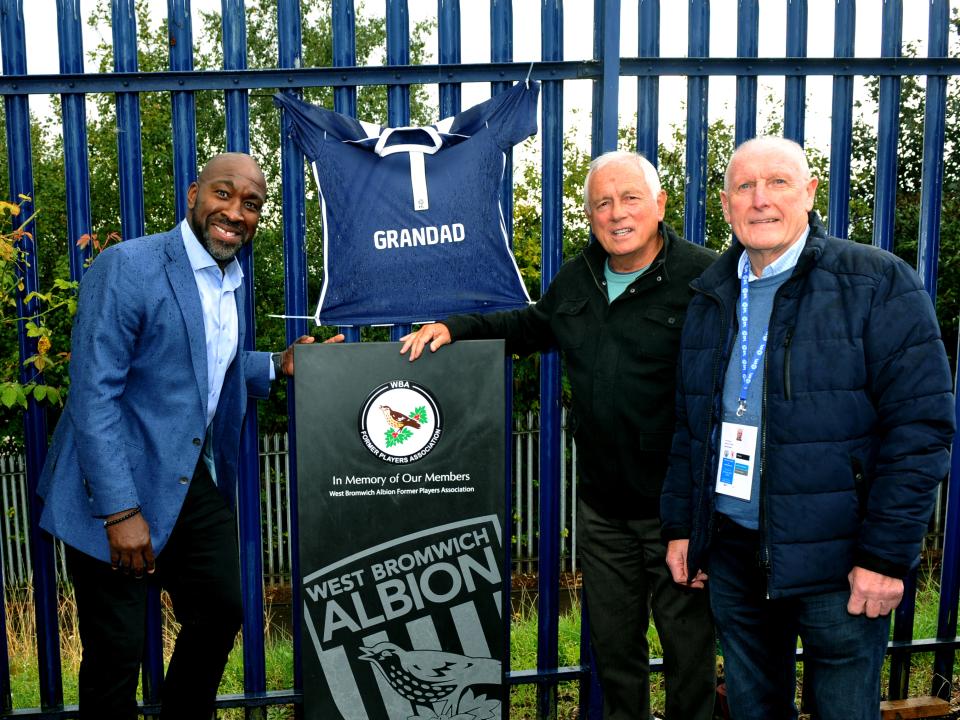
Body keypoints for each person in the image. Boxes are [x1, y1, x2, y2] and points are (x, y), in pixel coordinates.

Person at [401, 150, 718, 720]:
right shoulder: (579, 277)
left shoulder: (704, 278)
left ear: (660, 204)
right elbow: (529, 325)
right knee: (615, 649)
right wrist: (457, 325)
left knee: (687, 650)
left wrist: (699, 515)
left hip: (676, 508)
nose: (616, 213)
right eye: (602, 202)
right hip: (602, 509)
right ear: (590, 213)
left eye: (630, 198)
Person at [36, 152, 343, 719]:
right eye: (224, 194)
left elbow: (199, 363)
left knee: (222, 607)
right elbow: (92, 394)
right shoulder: (129, 266)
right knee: (117, 653)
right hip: (109, 481)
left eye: (252, 204)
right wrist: (120, 511)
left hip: (183, 475)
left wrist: (276, 363)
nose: (236, 212)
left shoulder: (232, 277)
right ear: (194, 195)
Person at [661, 136, 956, 720]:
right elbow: (690, 427)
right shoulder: (710, 296)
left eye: (778, 183)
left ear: (810, 192)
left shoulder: (876, 282)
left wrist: (886, 557)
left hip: (842, 562)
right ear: (724, 204)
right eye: (744, 186)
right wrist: (682, 528)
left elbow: (921, 429)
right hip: (735, 554)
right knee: (752, 707)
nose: (760, 199)